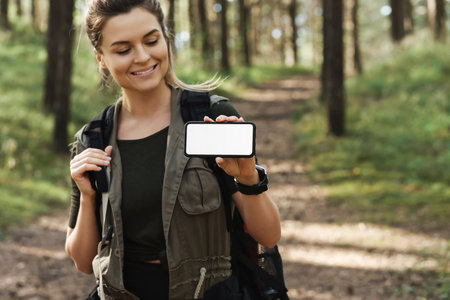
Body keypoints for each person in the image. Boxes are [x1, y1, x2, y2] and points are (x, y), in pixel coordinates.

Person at [65, 0, 281, 299]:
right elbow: (82, 261)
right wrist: (88, 196)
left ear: (166, 37)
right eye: (123, 49)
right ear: (101, 58)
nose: (142, 57)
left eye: (151, 40)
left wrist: (247, 178)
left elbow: (268, 235)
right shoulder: (93, 137)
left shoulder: (209, 116)